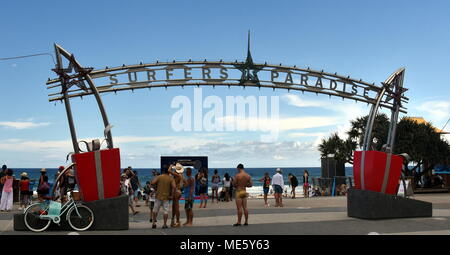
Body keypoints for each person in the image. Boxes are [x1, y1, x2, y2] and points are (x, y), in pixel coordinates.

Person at [170, 163, 184, 228]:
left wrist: (170, 166)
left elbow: (169, 171)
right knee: (174, 207)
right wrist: (180, 188)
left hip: (176, 192)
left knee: (176, 208)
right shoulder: (181, 175)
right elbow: (185, 183)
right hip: (178, 191)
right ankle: (172, 221)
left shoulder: (178, 175)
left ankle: (178, 222)